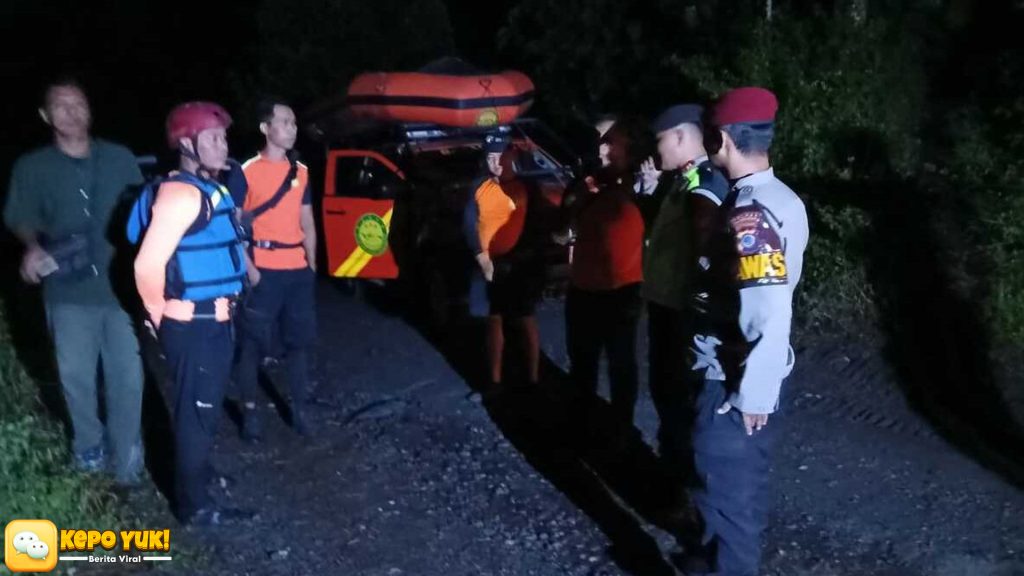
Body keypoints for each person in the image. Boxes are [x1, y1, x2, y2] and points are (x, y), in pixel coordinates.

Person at [684, 87, 809, 575]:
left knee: (730, 504)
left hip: (733, 377)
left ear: (721, 139)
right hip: (745, 370)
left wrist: (753, 393)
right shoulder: (778, 197)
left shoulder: (750, 213)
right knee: (731, 494)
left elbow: (769, 305)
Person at [3, 78, 145, 485]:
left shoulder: (119, 158)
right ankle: (88, 448)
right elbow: (20, 216)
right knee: (77, 377)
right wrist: (31, 247)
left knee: (128, 378)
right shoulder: (32, 167)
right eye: (61, 106)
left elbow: (144, 210)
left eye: (78, 103)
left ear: (89, 109)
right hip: (68, 291)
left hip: (121, 290)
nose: (71, 111)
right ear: (46, 116)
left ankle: (128, 461)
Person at [133, 101, 249, 525]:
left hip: (214, 321)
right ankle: (193, 506)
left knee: (203, 411)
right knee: (195, 416)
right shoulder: (181, 194)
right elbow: (146, 266)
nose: (223, 145)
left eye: (223, 137)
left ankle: (197, 479)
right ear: (187, 143)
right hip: (193, 324)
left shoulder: (207, 187)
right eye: (213, 138)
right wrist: (161, 319)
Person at [643, 104, 729, 494]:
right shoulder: (682, 179)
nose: (655, 147)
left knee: (679, 398)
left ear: (679, 136)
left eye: (660, 139)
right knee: (667, 393)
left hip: (682, 314)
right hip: (666, 305)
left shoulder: (702, 182)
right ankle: (674, 473)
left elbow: (707, 248)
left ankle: (684, 487)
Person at [236, 98, 317, 441]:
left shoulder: (301, 172)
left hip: (297, 271)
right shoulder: (246, 172)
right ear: (265, 128)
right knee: (253, 343)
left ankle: (300, 410)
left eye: (294, 122)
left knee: (298, 343)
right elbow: (235, 226)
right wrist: (249, 269)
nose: (292, 128)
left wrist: (312, 263)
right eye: (285, 122)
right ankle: (250, 412)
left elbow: (308, 221)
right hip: (263, 271)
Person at [564, 119, 646, 438]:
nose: (604, 147)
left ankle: (622, 426)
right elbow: (561, 230)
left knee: (621, 363)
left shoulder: (642, 183)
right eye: (598, 140)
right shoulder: (585, 184)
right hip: (583, 288)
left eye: (610, 140)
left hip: (622, 290)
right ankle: (581, 423)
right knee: (582, 362)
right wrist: (578, 196)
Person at [463, 133, 543, 396]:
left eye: (501, 156)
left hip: (515, 265)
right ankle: (505, 378)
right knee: (502, 320)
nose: (499, 161)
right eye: (493, 157)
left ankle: (522, 377)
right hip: (503, 264)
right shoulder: (512, 188)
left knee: (514, 320)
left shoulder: (516, 189)